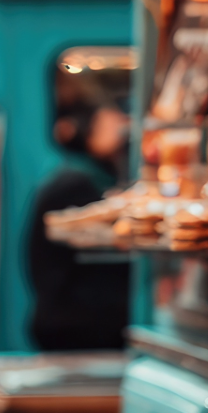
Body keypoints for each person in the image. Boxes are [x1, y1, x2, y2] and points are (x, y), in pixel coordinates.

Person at [26, 104, 131, 350]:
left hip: (63, 319)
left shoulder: (73, 177)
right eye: (112, 124)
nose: (125, 128)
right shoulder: (77, 184)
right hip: (77, 325)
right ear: (90, 133)